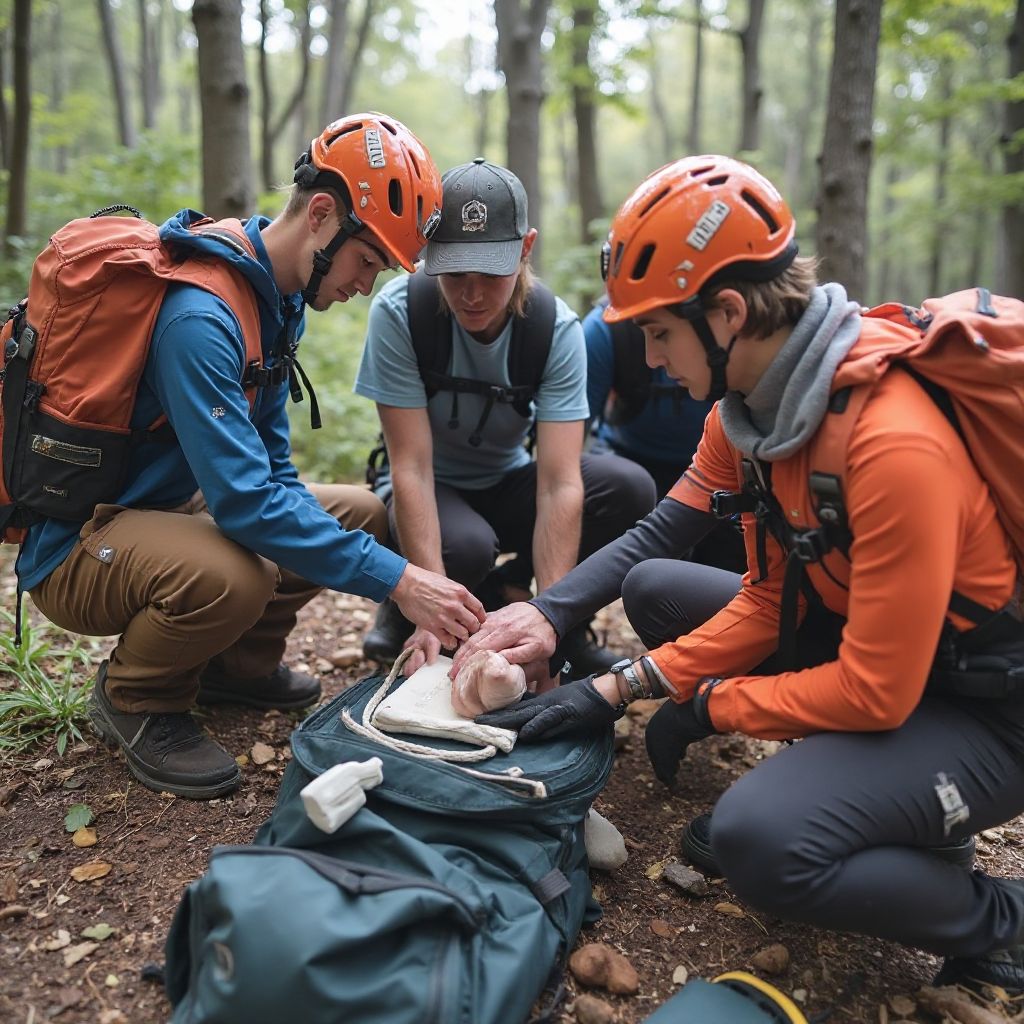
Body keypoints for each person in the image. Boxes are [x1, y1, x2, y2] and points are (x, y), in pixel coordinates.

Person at [464, 155, 1024, 993]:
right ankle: (886, 803)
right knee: (660, 588)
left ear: (727, 313)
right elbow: (762, 593)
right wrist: (618, 685)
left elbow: (876, 693)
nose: (652, 360)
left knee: (762, 841)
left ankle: (1002, 919)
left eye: (660, 333)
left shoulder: (891, 443)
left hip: (985, 709)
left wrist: (711, 703)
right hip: (889, 654)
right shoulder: (749, 418)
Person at [19, 112, 485, 800]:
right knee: (237, 572)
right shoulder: (202, 318)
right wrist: (401, 582)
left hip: (168, 509)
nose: (367, 285)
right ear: (320, 215)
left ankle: (236, 668)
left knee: (358, 511)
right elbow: (245, 503)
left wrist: (393, 573)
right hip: (83, 544)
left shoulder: (273, 300)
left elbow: (272, 472)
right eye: (367, 261)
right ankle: (137, 698)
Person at [354, 157, 656, 679]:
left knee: (627, 488)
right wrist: (429, 607)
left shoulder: (554, 329)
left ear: (525, 248)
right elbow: (412, 468)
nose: (472, 294)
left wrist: (552, 623)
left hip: (507, 481)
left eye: (491, 273)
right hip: (430, 486)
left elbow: (559, 483)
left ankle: (532, 611)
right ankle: (412, 610)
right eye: (455, 273)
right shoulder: (400, 312)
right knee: (466, 548)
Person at [584, 297, 745, 572]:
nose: (652, 360)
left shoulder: (740, 342)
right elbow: (562, 465)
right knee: (619, 493)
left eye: (660, 334)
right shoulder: (606, 329)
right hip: (629, 461)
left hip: (720, 471)